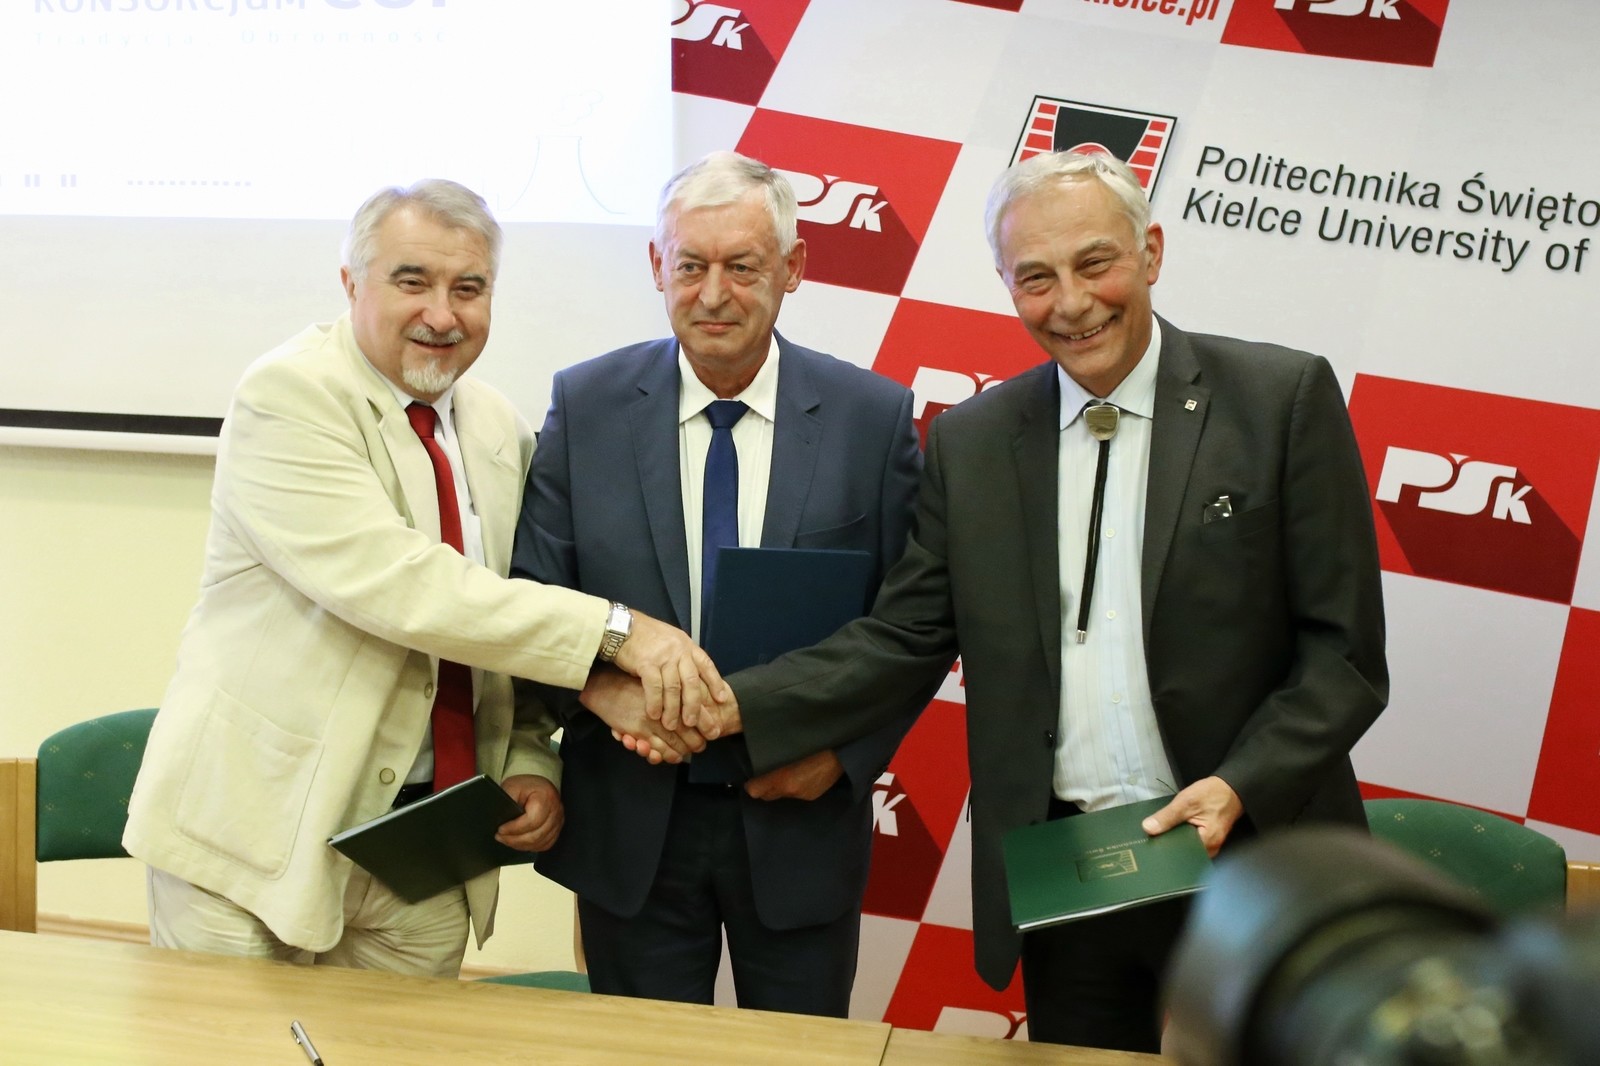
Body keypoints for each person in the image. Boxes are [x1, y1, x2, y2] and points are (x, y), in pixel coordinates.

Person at [594, 151, 1389, 1050]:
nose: (1071, 303)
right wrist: (725, 706)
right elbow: (902, 636)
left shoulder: (1280, 401)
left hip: (1254, 854)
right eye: (1035, 278)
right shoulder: (973, 442)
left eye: (1095, 264)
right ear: (1007, 285)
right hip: (1078, 872)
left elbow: (1345, 656)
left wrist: (1239, 785)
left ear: (1152, 252)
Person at [122, 178, 726, 978]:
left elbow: (510, 611)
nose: (442, 315)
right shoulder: (288, 396)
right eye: (413, 282)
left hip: (424, 854)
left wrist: (528, 760)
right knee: (233, 1043)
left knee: (402, 1046)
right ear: (351, 283)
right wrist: (620, 634)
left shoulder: (499, 426)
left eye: (468, 289)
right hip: (252, 842)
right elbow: (409, 590)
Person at [511, 151, 923, 1016]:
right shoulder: (585, 406)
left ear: (793, 268)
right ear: (657, 266)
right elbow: (534, 595)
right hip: (631, 822)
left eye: (743, 267)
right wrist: (600, 691)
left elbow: (911, 623)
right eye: (691, 266)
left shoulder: (871, 417)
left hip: (799, 817)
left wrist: (844, 759)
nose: (713, 294)